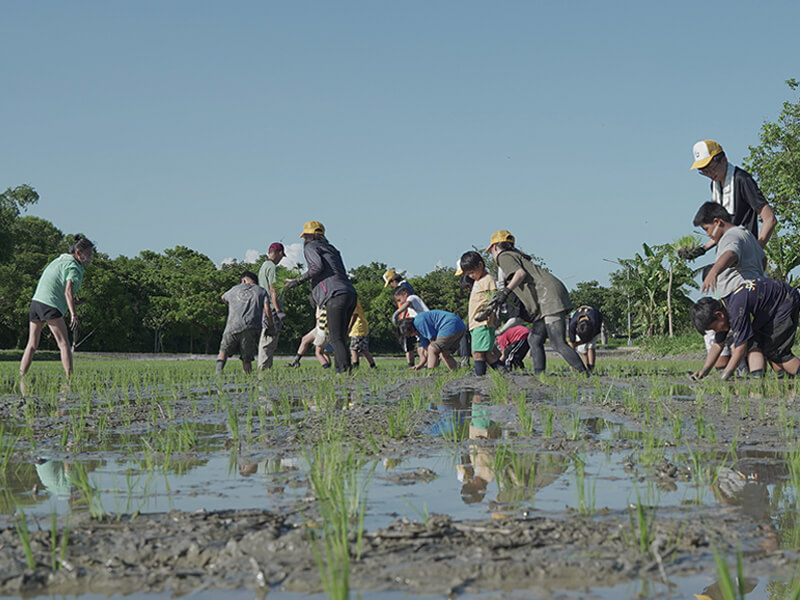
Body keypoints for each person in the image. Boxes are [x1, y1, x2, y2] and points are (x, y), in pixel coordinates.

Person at [484, 230, 587, 376]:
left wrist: (505, 292)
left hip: (548, 297)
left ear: (494, 248)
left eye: (491, 252)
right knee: (534, 339)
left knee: (557, 342)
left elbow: (520, 274)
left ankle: (585, 375)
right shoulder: (515, 255)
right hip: (545, 298)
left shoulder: (504, 256)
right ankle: (539, 376)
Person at [690, 278, 800, 381]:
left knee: (776, 352)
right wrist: (704, 371)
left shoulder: (736, 311)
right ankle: (761, 380)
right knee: (753, 343)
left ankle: (789, 376)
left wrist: (725, 376)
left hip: (785, 301)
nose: (716, 331)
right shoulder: (725, 309)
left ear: (719, 315)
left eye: (714, 328)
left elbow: (740, 349)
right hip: (768, 308)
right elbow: (717, 345)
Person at [285, 221, 357, 373]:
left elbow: (317, 267)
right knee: (340, 338)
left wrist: (297, 281)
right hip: (349, 293)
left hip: (334, 295)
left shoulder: (310, 247)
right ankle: (344, 371)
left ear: (306, 236)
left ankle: (343, 373)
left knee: (336, 338)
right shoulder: (332, 249)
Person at [20, 235, 95, 380]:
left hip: (36, 303)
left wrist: (75, 301)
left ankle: (21, 376)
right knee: (64, 343)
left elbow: (58, 287)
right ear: (78, 252)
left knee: (32, 344)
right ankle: (69, 379)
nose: (90, 258)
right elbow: (67, 291)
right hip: (50, 306)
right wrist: (73, 314)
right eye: (88, 254)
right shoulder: (74, 267)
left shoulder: (60, 260)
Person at [689, 140, 777, 256]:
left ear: (724, 160)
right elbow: (721, 227)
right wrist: (702, 249)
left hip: (744, 251)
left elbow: (770, 219)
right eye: (704, 172)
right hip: (727, 251)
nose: (709, 174)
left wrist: (756, 251)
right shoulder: (715, 185)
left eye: (712, 169)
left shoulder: (742, 180)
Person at [692, 202, 766, 296]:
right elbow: (763, 259)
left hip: (740, 292)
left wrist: (713, 272)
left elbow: (731, 253)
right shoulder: (747, 235)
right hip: (757, 288)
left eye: (707, 229)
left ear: (717, 222)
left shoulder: (730, 235)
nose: (708, 234)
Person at [459, 251, 503, 375]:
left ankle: (480, 377)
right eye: (468, 274)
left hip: (483, 323)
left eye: (472, 272)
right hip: (476, 324)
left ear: (480, 265)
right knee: (486, 354)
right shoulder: (478, 281)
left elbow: (493, 299)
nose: (471, 276)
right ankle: (504, 373)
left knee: (477, 353)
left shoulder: (488, 279)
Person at [216, 271, 269, 374]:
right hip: (251, 327)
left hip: (232, 326)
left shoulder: (234, 289)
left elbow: (223, 297)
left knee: (223, 352)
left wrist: (232, 304)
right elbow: (267, 309)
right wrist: (270, 325)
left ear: (243, 280)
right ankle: (247, 379)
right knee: (247, 358)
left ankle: (218, 373)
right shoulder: (261, 291)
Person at [398, 309, 466, 371]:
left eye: (410, 334)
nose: (411, 336)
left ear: (411, 328)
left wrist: (433, 361)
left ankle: (431, 373)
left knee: (432, 348)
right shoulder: (419, 332)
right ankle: (456, 371)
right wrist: (420, 365)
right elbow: (426, 350)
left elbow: (433, 341)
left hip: (450, 324)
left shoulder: (419, 322)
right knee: (444, 354)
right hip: (460, 327)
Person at [257, 242, 286, 370]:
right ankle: (264, 369)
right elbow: (272, 289)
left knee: (267, 340)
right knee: (269, 341)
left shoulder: (264, 266)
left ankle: (266, 368)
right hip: (272, 309)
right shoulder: (272, 267)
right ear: (279, 253)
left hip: (264, 307)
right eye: (281, 256)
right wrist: (278, 310)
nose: (281, 259)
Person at [392, 285, 430, 367]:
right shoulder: (410, 305)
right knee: (421, 348)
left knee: (424, 348)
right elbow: (406, 308)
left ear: (404, 294)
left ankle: (428, 364)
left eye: (399, 300)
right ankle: (425, 364)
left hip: (425, 326)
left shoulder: (412, 298)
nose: (400, 303)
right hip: (420, 328)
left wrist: (396, 313)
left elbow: (406, 304)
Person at [286, 303, 331, 368]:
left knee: (322, 351)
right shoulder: (320, 302)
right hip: (318, 326)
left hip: (323, 327)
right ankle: (296, 360)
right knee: (305, 339)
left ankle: (327, 368)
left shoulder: (326, 302)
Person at [567, 306, 603, 372]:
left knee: (591, 346)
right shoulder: (572, 325)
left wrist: (579, 343)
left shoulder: (595, 321)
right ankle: (585, 368)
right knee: (582, 349)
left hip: (594, 327)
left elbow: (591, 338)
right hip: (581, 322)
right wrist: (572, 363)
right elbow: (571, 343)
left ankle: (591, 368)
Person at [348, 299, 376, 368]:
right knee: (363, 349)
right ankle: (373, 366)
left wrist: (350, 327)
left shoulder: (352, 300)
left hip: (358, 327)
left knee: (353, 349)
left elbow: (355, 315)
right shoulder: (354, 299)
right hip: (361, 327)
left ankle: (355, 366)